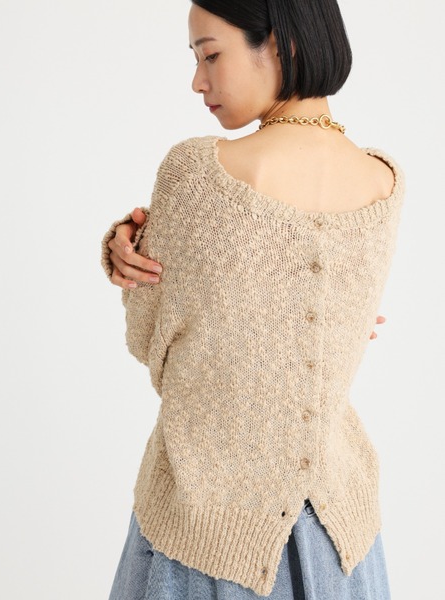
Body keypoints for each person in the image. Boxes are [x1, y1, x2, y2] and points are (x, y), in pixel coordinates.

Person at [100, 1, 405, 598]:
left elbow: (151, 341)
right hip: (340, 539)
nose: (198, 81)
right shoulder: (384, 180)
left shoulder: (198, 171)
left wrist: (124, 253)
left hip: (207, 533)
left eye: (211, 55)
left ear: (282, 45)